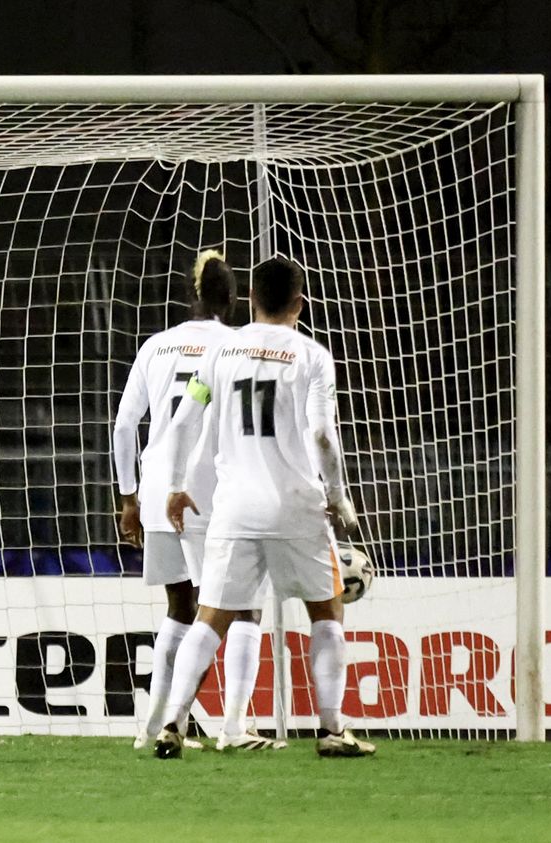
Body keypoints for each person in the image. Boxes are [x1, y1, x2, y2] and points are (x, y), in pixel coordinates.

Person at [156, 256, 373, 759]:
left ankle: (173, 725)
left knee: (210, 616)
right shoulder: (312, 356)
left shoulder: (221, 354)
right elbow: (321, 434)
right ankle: (331, 730)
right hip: (297, 507)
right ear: (300, 303)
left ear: (251, 299)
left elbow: (185, 417)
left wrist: (176, 484)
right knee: (327, 610)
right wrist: (339, 497)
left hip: (234, 510)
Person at [113, 251, 279, 751]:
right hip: (212, 494)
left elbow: (124, 426)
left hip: (157, 487)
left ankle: (155, 727)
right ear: (233, 301)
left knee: (180, 609)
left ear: (192, 294)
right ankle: (235, 726)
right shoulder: (239, 348)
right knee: (244, 609)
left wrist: (127, 497)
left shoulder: (156, 346)